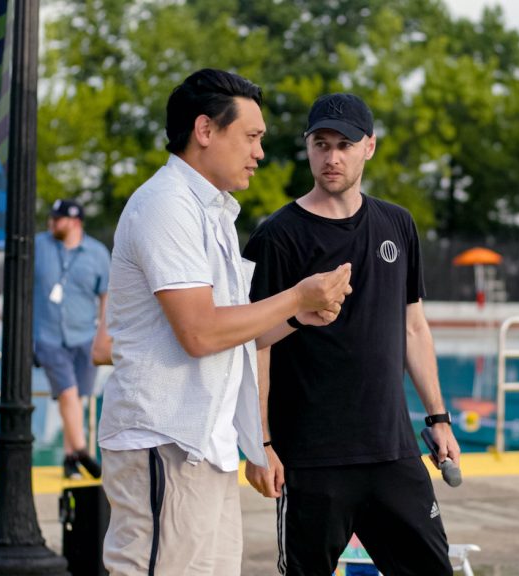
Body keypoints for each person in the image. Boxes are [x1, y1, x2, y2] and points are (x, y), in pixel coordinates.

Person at [97, 69, 352, 576]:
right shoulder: (166, 206)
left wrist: (299, 317)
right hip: (163, 441)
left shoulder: (210, 213)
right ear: (206, 131)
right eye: (252, 137)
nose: (260, 152)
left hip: (204, 447)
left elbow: (234, 333)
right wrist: (294, 295)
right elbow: (201, 333)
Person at [243, 93, 459, 576]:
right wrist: (261, 443)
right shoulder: (277, 236)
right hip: (313, 459)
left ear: (370, 147)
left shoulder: (397, 224)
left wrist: (438, 417)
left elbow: (413, 326)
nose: (332, 157)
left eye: (345, 144)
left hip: (393, 450)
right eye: (321, 144)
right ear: (308, 148)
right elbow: (257, 342)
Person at [33, 199, 110, 480]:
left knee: (76, 398)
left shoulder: (97, 253)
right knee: (67, 393)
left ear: (74, 222)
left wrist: (104, 332)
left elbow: (106, 295)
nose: (51, 223)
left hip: (84, 337)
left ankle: (69, 458)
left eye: (57, 219)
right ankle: (82, 451)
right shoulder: (38, 246)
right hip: (47, 336)